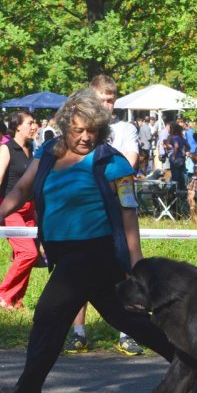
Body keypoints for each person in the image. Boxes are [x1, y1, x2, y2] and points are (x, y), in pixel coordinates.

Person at [0, 89, 197, 393]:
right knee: (124, 318)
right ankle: (187, 361)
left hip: (94, 252)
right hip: (65, 253)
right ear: (64, 126)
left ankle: (26, 391)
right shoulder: (47, 153)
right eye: (78, 130)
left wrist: (136, 259)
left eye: (92, 130)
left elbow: (129, 212)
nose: (85, 137)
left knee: (49, 313)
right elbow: (23, 187)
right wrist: (1, 212)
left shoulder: (111, 162)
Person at [65, 74, 144, 356]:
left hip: (113, 207)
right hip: (84, 210)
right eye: (103, 100)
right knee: (78, 274)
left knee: (125, 268)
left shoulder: (125, 129)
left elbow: (128, 163)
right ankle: (78, 332)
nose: (108, 106)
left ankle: (128, 333)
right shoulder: (80, 129)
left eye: (111, 101)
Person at [0, 110, 38, 310]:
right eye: (30, 123)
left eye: (35, 123)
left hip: (30, 210)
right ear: (17, 126)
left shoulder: (30, 149)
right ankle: (2, 292)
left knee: (22, 256)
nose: (34, 126)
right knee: (28, 253)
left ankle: (15, 299)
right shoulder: (6, 149)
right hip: (11, 210)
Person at [168, 121, 189, 191]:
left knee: (175, 176)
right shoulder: (182, 138)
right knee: (181, 175)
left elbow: (176, 146)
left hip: (176, 158)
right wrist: (184, 152)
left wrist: (174, 155)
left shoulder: (174, 138)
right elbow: (188, 147)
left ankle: (175, 191)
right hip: (181, 158)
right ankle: (182, 190)